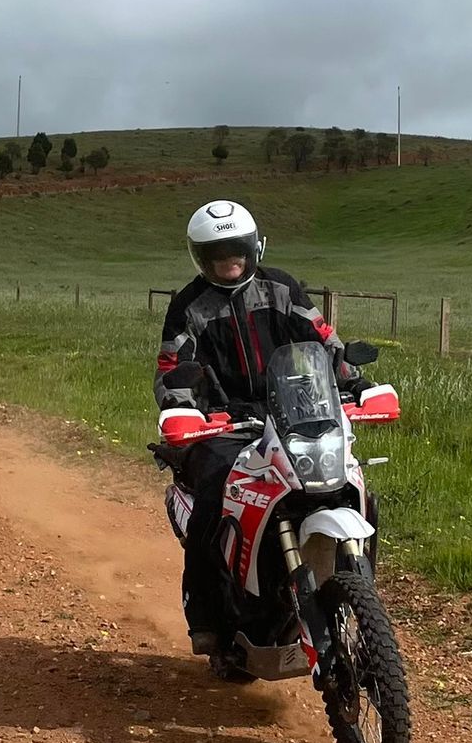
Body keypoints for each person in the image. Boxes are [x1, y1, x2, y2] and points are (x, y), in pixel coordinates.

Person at [154, 200, 363, 655]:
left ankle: (356, 588)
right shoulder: (188, 306)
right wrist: (181, 407)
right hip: (221, 425)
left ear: (254, 248)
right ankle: (205, 612)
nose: (229, 262)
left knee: (347, 479)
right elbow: (172, 367)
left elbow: (323, 340)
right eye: (217, 254)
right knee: (215, 497)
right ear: (200, 257)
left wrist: (351, 376)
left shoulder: (281, 288)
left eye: (237, 251)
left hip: (292, 413)